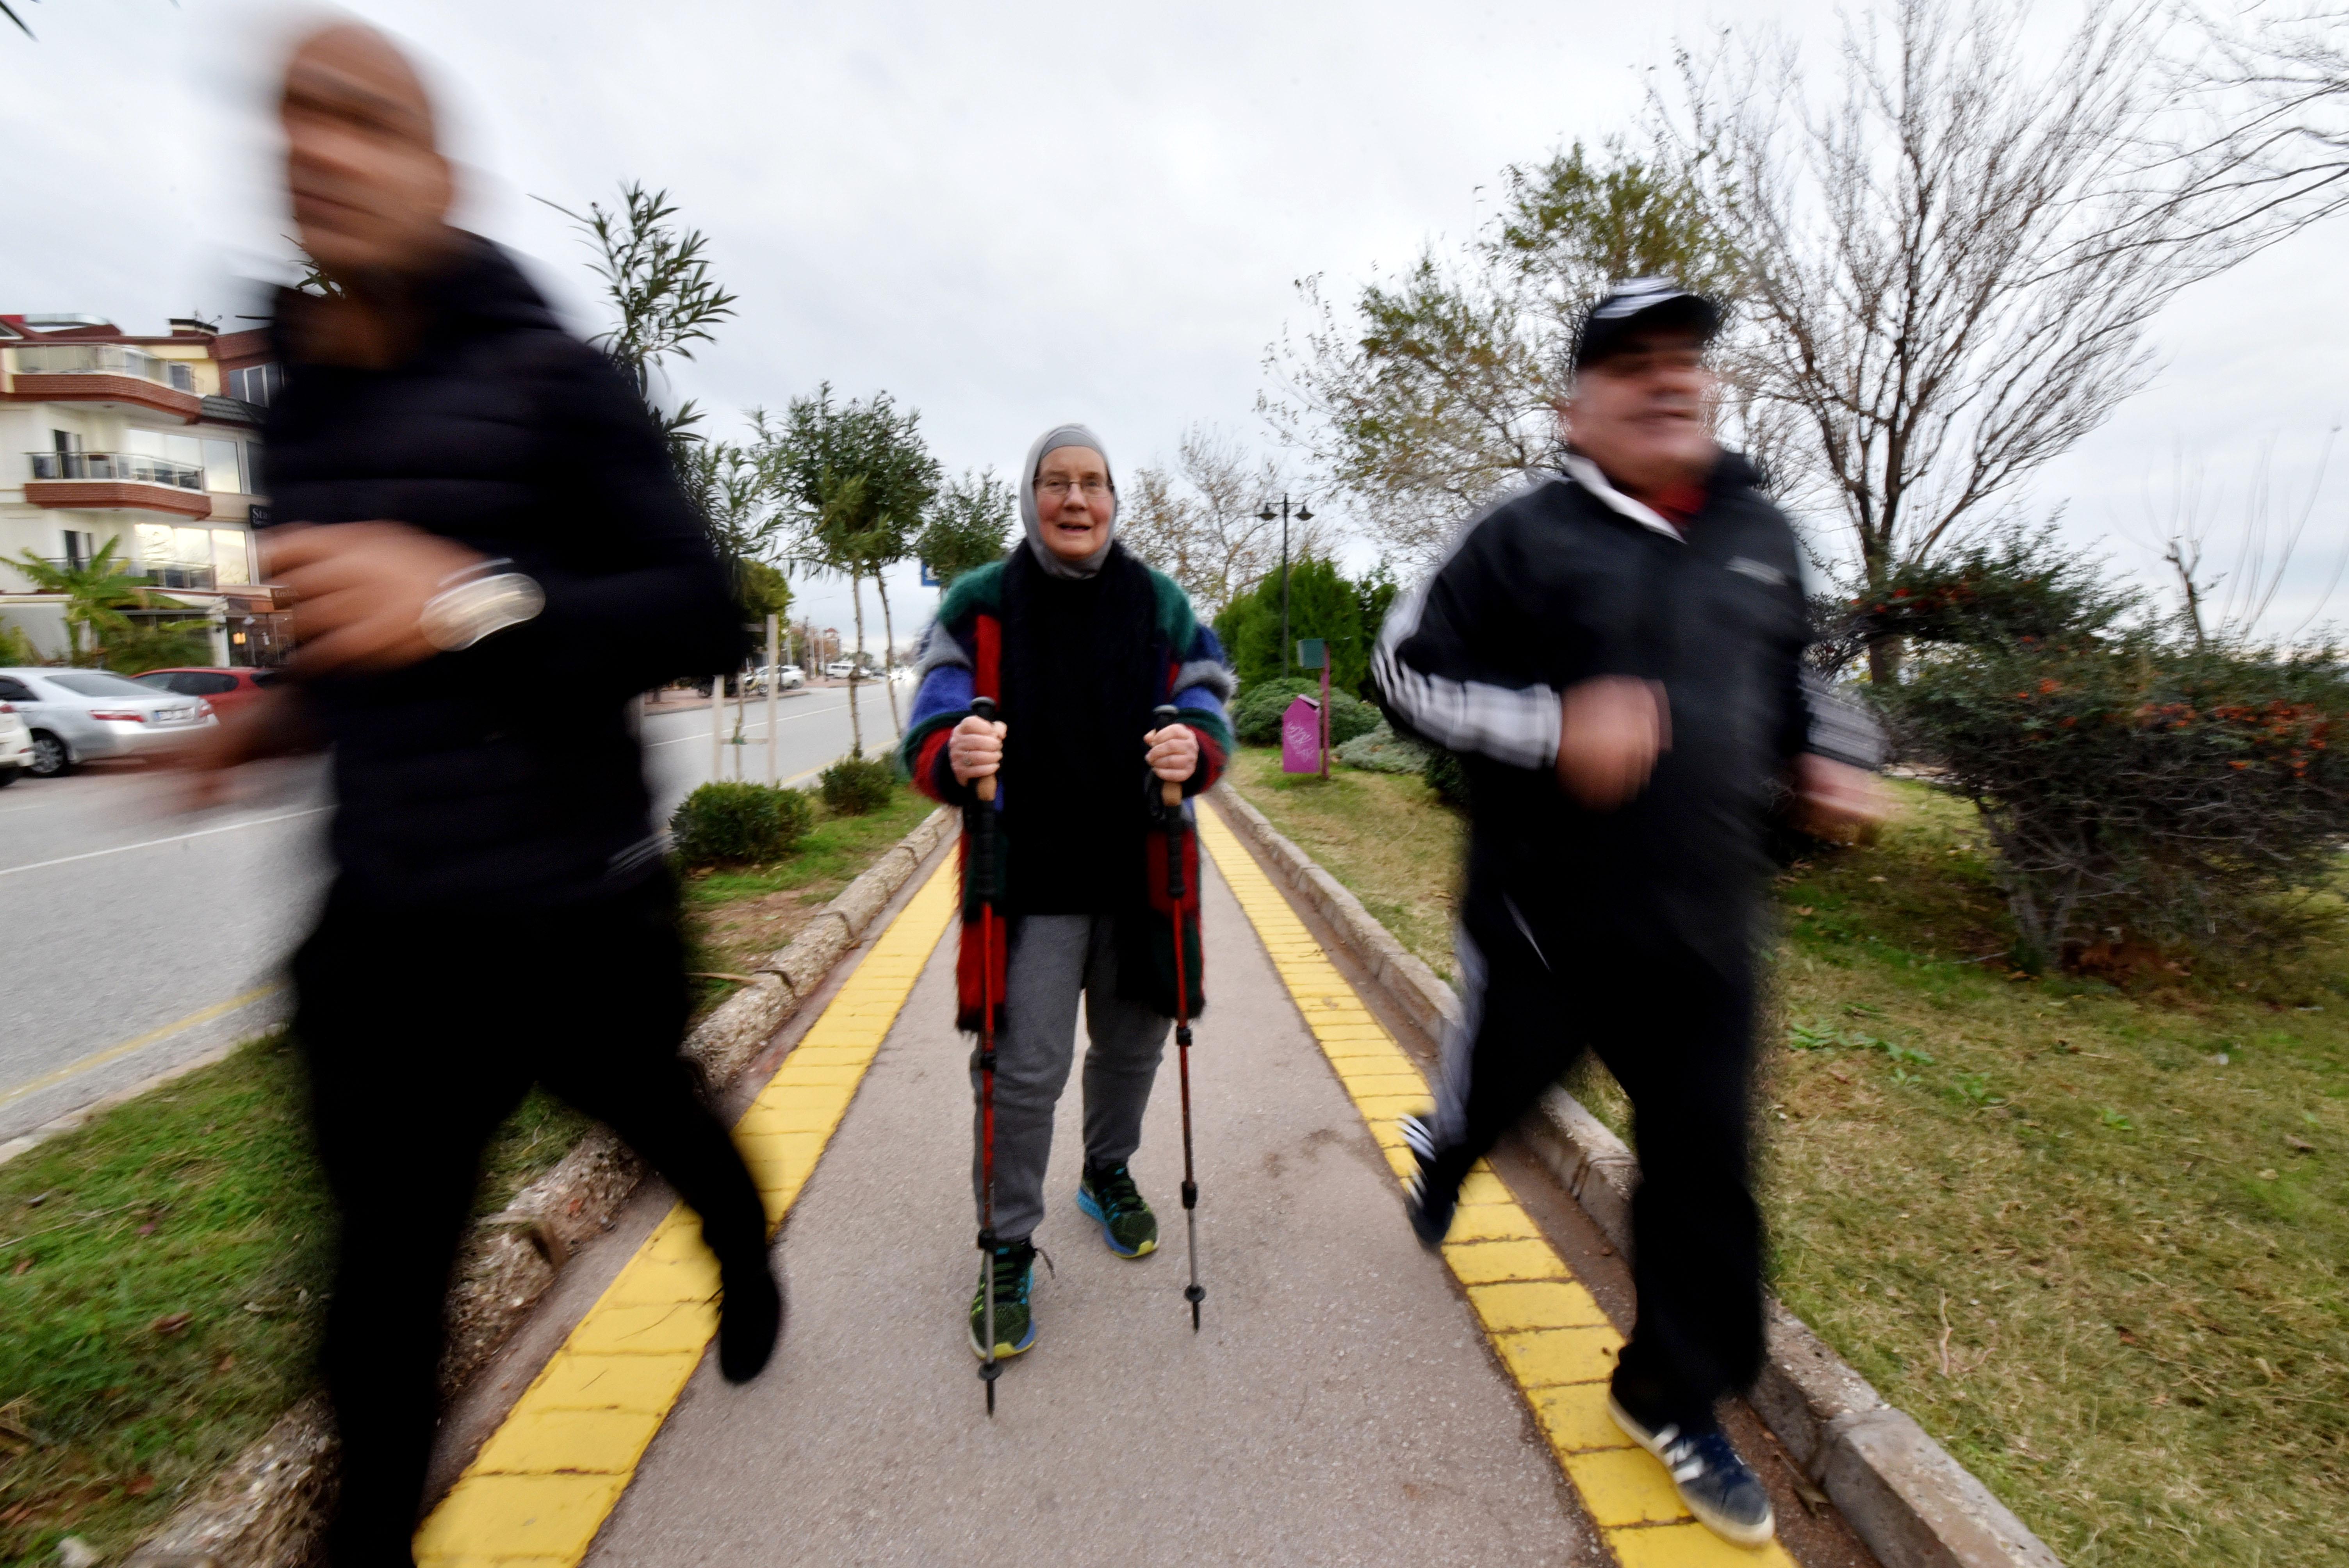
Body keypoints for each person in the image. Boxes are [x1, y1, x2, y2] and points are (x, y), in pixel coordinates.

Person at [179, 24, 781, 1566]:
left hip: (577, 908)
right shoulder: (293, 400)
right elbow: (351, 637)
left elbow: (699, 615)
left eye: (362, 119)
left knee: (670, 1121)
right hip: (386, 929)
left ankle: (738, 1235)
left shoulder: (558, 376)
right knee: (379, 1320)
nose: (318, 148)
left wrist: (465, 600)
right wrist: (250, 726)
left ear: (439, 173)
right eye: (293, 119)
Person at [1370, 278, 1887, 1548]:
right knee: (1496, 1088)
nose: (1667, 378)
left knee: (1706, 1169)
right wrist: (1554, 728)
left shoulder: (1759, 527)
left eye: (1685, 358)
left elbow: (1794, 672)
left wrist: (1831, 744)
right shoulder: (1519, 535)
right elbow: (1404, 671)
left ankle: (1669, 1390)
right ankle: (1450, 1145)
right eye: (1630, 363)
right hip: (1547, 920)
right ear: (1572, 409)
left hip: (1707, 925)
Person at [898, 425, 1234, 1363]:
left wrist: (1193, 746)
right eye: (1057, 483)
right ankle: (1005, 1244)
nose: (1076, 500)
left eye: (1092, 484)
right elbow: (930, 719)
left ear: (1114, 500)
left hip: (1141, 878)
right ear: (1031, 497)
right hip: (1029, 879)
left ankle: (1106, 1170)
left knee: (1130, 1052)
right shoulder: (980, 603)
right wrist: (951, 749)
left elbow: (1208, 694)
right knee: (1020, 1069)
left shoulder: (1158, 603)